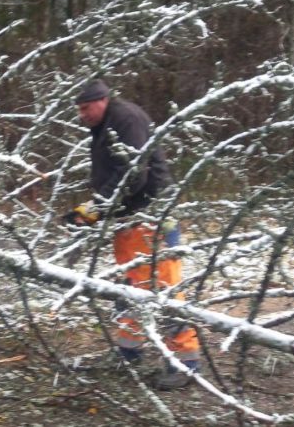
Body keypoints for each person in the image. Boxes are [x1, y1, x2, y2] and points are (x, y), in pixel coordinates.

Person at [72, 79, 200, 390]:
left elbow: (134, 173)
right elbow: (117, 173)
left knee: (162, 288)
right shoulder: (105, 125)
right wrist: (94, 209)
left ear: (102, 100)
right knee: (130, 285)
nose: (82, 115)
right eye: (79, 110)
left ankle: (185, 362)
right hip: (129, 218)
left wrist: (97, 207)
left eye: (86, 108)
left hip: (151, 216)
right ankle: (128, 353)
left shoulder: (125, 118)